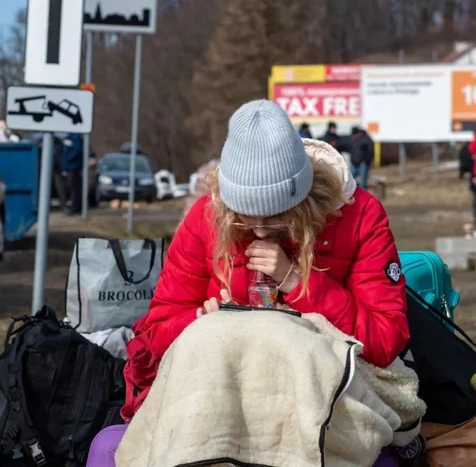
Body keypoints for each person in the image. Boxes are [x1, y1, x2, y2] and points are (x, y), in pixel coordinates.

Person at [122, 99, 409, 420]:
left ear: (304, 200)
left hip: (322, 397)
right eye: (244, 218)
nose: (259, 231)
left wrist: (297, 282)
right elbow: (152, 336)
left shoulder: (358, 216)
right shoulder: (204, 219)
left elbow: (386, 340)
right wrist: (200, 320)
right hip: (220, 391)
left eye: (276, 218)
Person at [60, 133, 84, 214]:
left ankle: (75, 208)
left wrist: (69, 159)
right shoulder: (67, 137)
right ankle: (73, 206)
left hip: (73, 167)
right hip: (68, 167)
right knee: (69, 188)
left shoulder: (75, 136)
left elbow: (77, 149)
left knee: (74, 189)